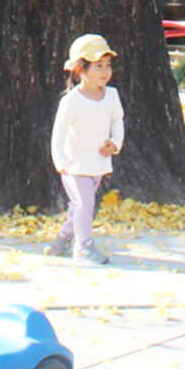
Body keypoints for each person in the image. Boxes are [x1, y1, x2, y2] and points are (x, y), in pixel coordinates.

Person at [47, 34, 125, 265]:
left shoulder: (112, 95)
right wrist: (60, 161)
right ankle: (83, 247)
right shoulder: (71, 100)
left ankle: (62, 239)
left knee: (80, 204)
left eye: (108, 65)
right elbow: (58, 133)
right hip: (74, 164)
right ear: (80, 69)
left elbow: (117, 122)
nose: (105, 71)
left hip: (97, 164)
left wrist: (115, 144)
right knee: (84, 203)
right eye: (98, 66)